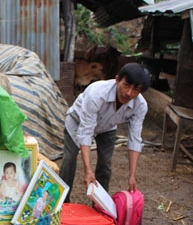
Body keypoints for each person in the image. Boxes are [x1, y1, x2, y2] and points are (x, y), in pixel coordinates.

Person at [59, 63, 150, 202]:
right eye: (126, 85)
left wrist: (132, 175)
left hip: (108, 127)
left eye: (136, 89)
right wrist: (88, 170)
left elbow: (135, 139)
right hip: (77, 122)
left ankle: (100, 204)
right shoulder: (97, 93)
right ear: (117, 79)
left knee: (105, 164)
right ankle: (63, 202)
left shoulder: (140, 105)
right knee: (69, 160)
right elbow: (86, 131)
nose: (129, 93)